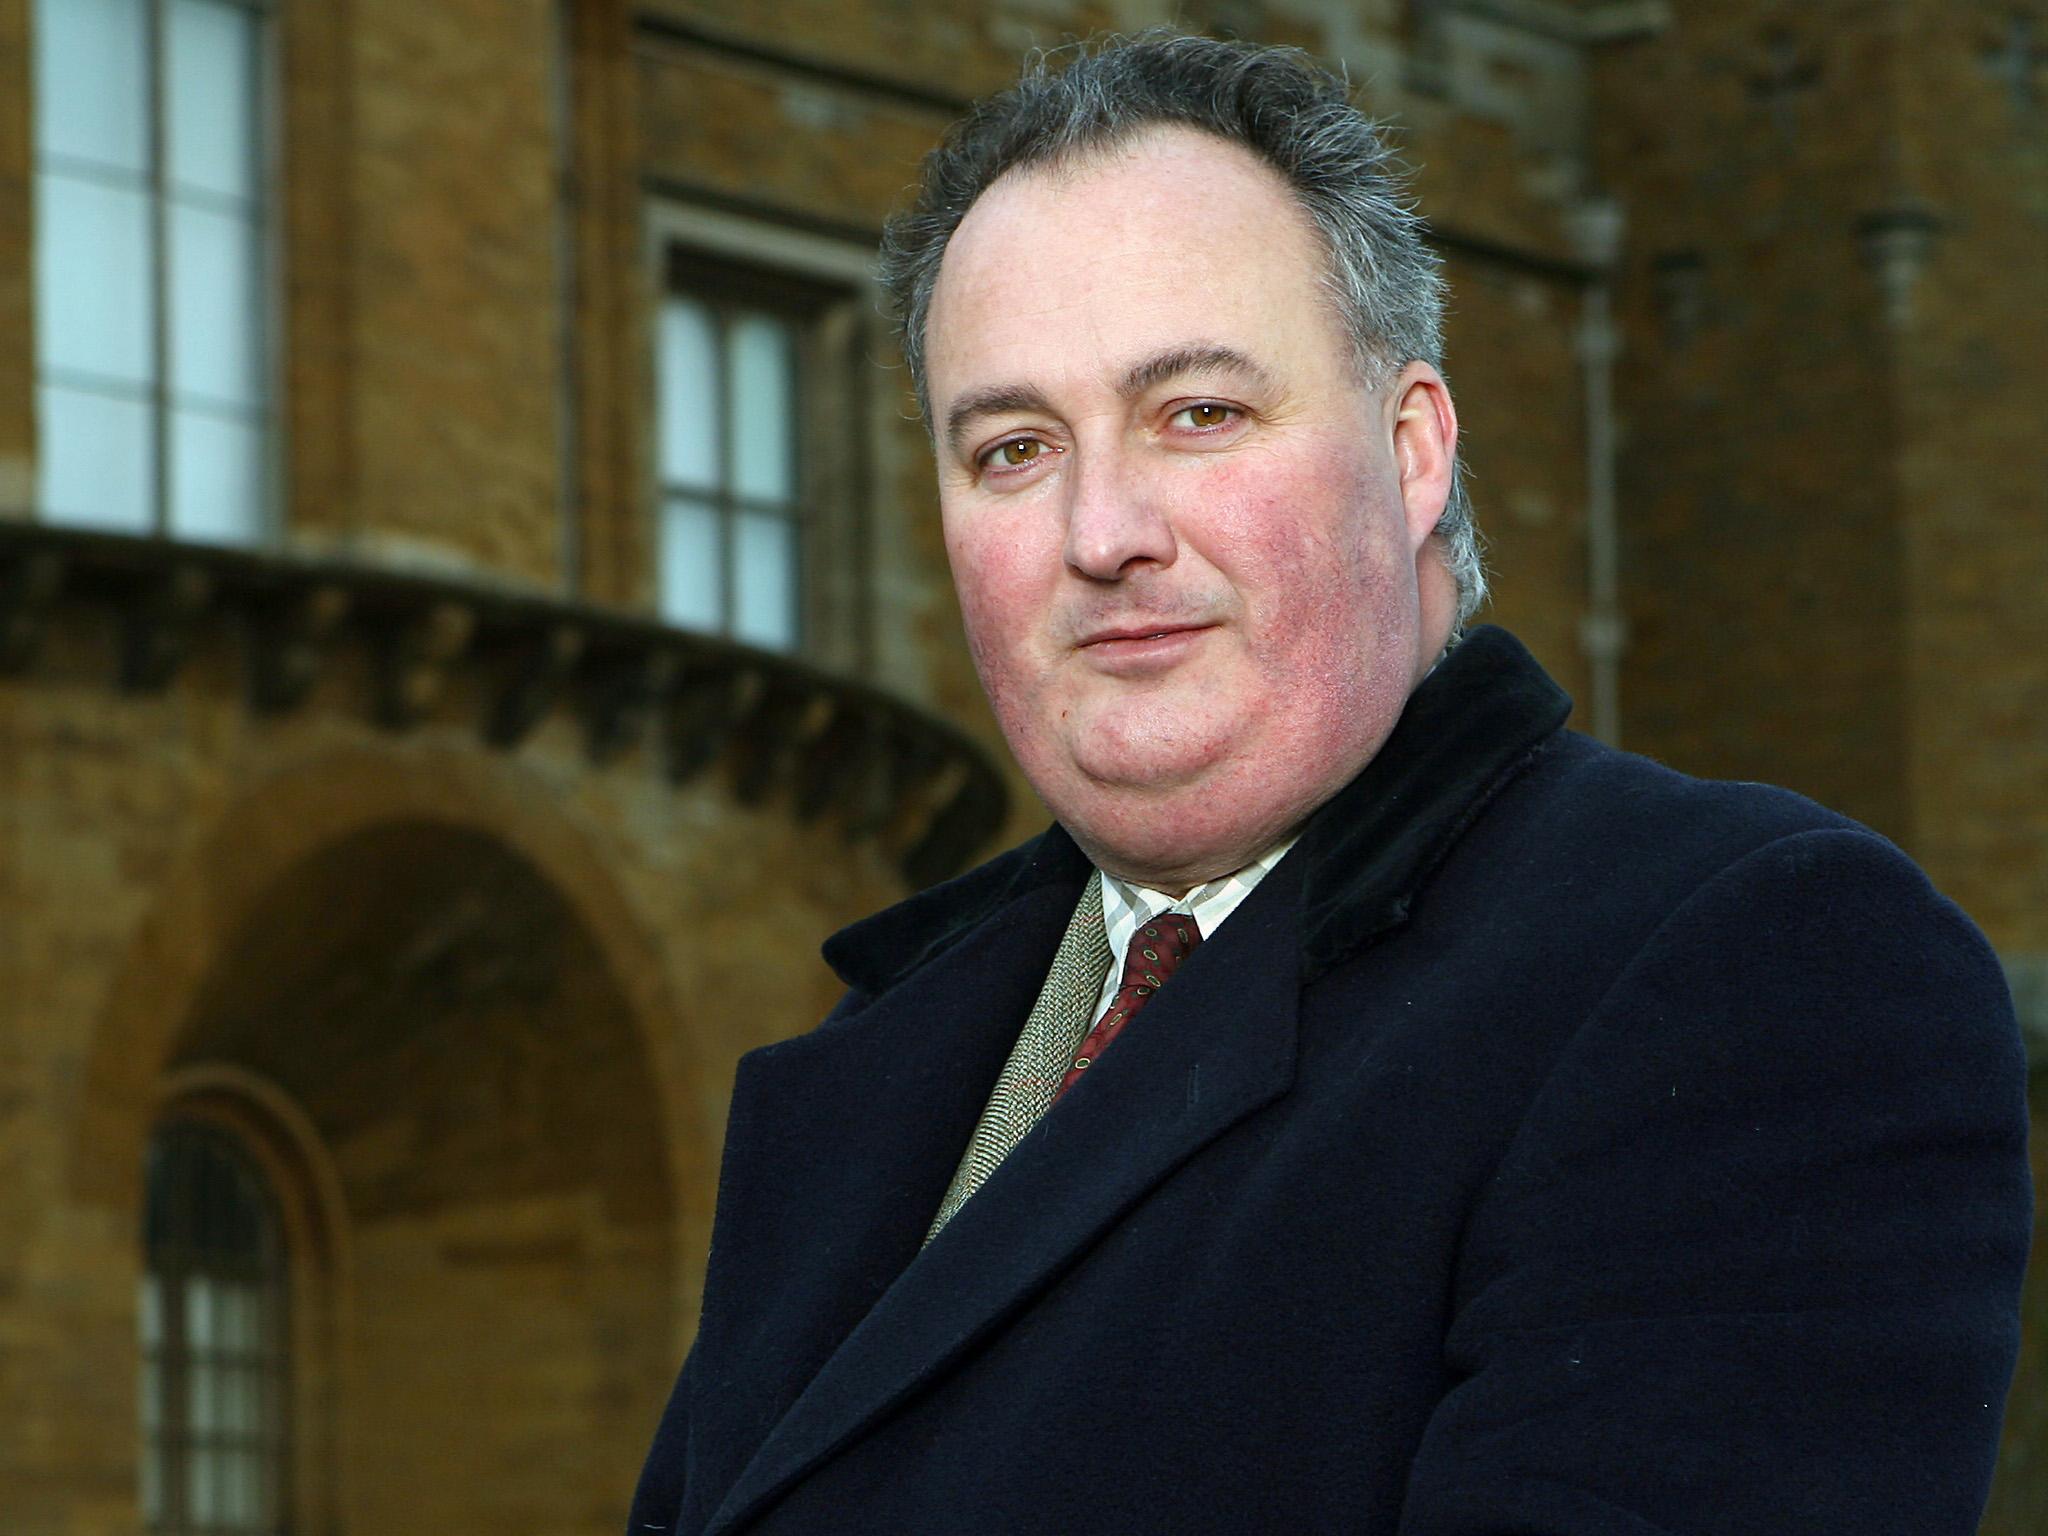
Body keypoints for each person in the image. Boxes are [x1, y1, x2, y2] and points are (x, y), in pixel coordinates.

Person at [628, 32, 2029, 1536]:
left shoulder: (1750, 971)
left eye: (1200, 414)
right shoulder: (886, 1056)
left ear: (1414, 450)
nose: (1102, 531)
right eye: (1015, 448)